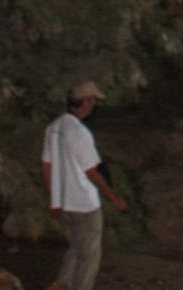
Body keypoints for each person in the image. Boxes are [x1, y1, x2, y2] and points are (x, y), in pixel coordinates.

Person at [43, 80, 128, 290]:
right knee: (89, 256)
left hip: (64, 201)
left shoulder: (54, 127)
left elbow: (47, 164)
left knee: (74, 248)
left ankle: (61, 286)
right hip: (84, 204)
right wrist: (114, 198)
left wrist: (54, 198)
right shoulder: (80, 133)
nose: (94, 105)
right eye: (93, 100)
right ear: (86, 101)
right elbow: (91, 171)